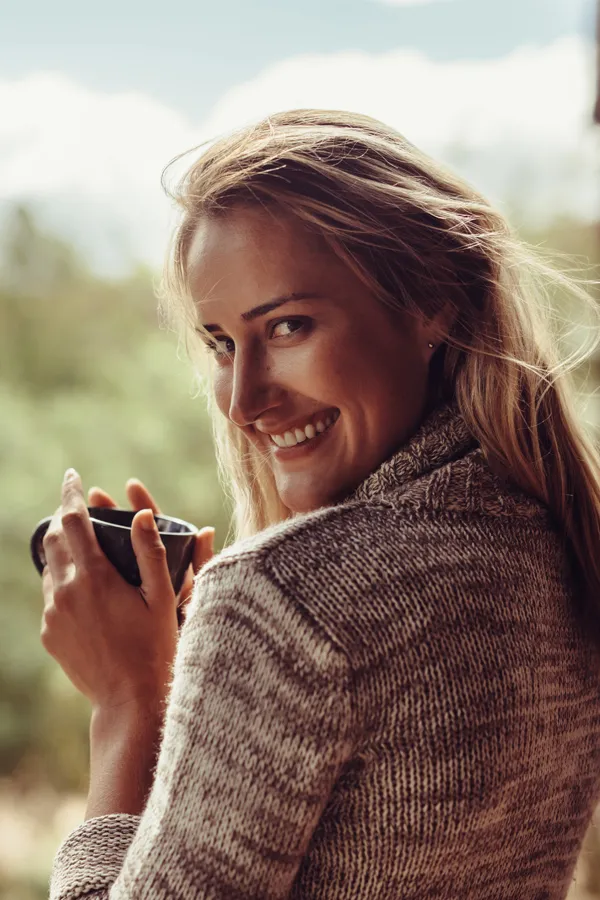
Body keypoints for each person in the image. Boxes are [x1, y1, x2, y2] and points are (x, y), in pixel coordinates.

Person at [43, 109, 600, 900]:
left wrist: (129, 701)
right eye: (221, 343)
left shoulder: (288, 600)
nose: (243, 400)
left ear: (431, 302)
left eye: (289, 326)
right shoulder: (558, 552)